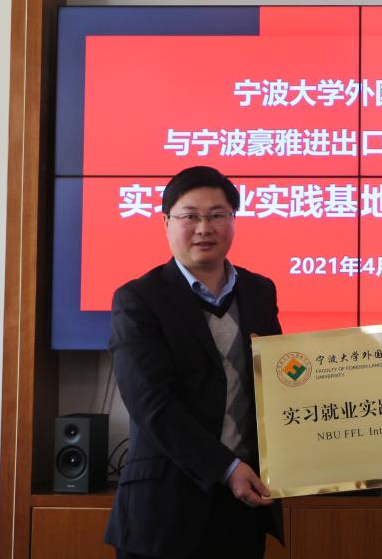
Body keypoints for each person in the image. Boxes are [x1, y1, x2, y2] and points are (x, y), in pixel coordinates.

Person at [104, 166, 284, 559]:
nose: (205, 228)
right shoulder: (139, 299)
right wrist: (226, 468)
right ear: (166, 222)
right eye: (190, 216)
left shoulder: (259, 291)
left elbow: (281, 381)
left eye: (217, 215)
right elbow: (153, 405)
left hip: (244, 506)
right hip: (164, 513)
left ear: (233, 220)